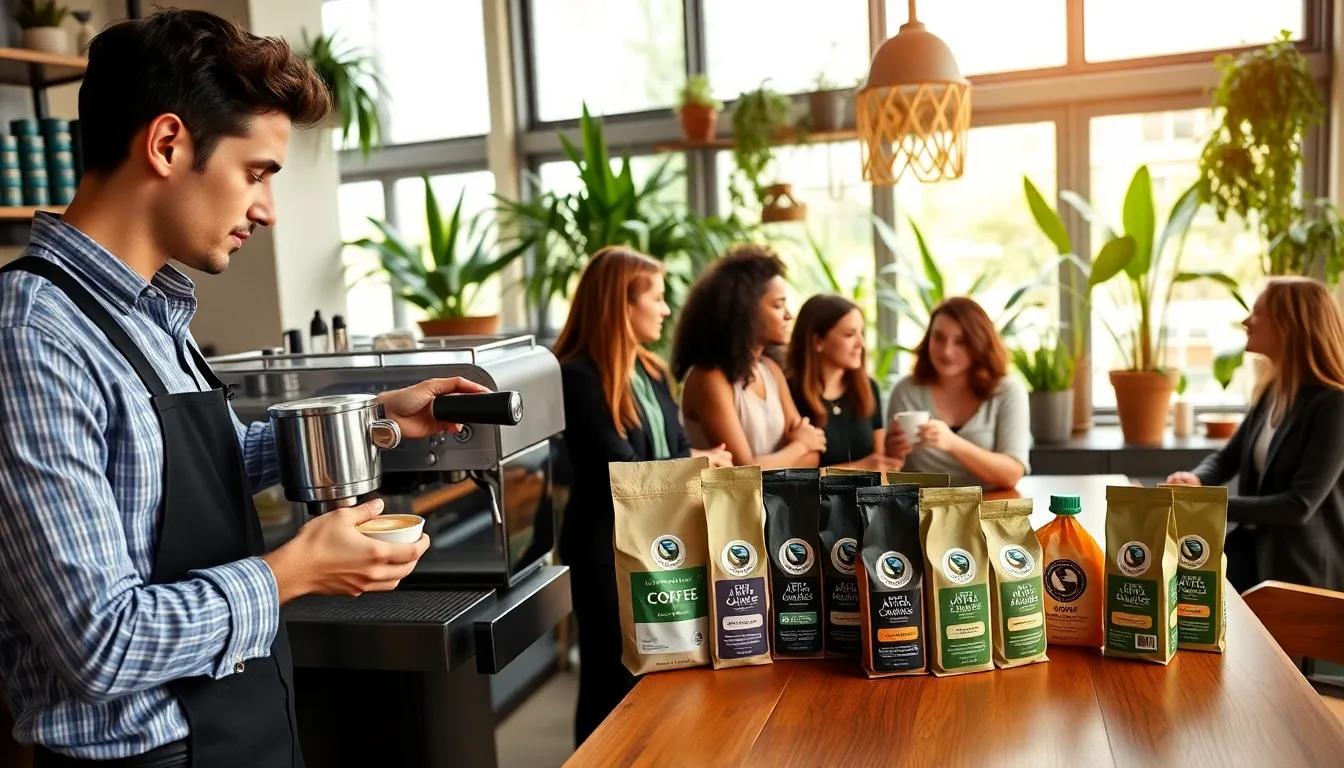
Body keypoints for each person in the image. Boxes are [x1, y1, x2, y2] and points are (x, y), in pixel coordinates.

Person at [0, 11, 491, 767]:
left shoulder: (153, 310)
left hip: (248, 721)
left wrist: (373, 423)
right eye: (257, 172)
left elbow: (196, 465)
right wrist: (295, 571)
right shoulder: (31, 336)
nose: (266, 209)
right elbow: (99, 641)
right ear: (167, 144)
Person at [553, 247, 730, 746]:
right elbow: (622, 470)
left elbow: (673, 448)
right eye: (656, 297)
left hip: (662, 546)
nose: (666, 308)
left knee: (661, 675)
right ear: (621, 305)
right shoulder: (578, 376)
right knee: (610, 682)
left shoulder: (651, 371)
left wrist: (691, 461)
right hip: (604, 553)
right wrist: (698, 464)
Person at [1166, 277, 1344, 593]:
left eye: (1257, 313)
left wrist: (1204, 504)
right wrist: (1196, 480)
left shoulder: (1334, 406)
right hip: (1252, 555)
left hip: (1302, 574)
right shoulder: (1273, 392)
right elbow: (1227, 458)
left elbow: (1299, 505)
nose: (1246, 321)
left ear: (1290, 326)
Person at [674, 245, 826, 468]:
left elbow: (814, 457)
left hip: (775, 502)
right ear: (746, 310)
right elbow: (745, 471)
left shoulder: (770, 370)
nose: (789, 315)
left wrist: (800, 449)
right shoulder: (709, 378)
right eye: (778, 305)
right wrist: (799, 445)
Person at [885, 297, 1030, 489]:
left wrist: (952, 443)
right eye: (939, 337)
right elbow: (890, 470)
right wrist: (892, 451)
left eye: (961, 341)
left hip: (986, 508)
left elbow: (1012, 474)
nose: (946, 351)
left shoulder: (1007, 391)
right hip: (921, 511)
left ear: (979, 343)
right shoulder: (905, 391)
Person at [786, 294, 894, 468]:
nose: (861, 343)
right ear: (818, 342)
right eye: (850, 334)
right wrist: (860, 468)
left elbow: (880, 464)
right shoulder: (789, 393)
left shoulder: (868, 388)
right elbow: (793, 478)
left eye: (862, 333)